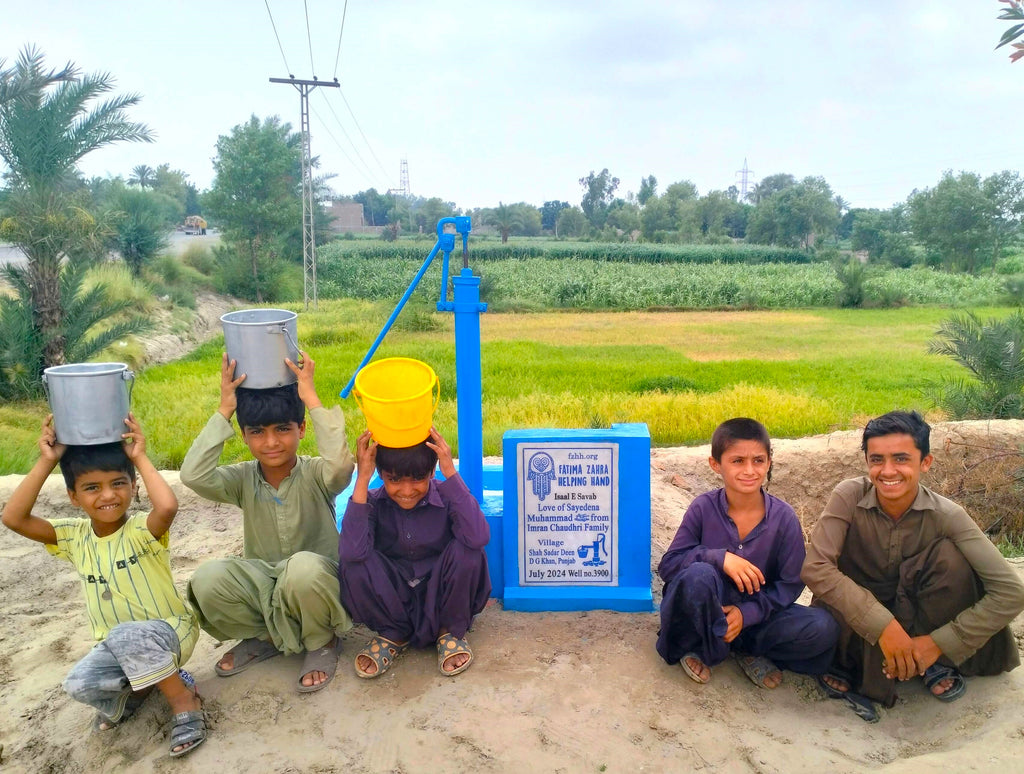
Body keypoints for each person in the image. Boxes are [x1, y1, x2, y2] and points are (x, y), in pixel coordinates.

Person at [1, 414, 207, 758]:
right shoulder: (74, 537)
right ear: (73, 496)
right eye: (92, 488)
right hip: (118, 646)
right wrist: (47, 460)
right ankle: (143, 689)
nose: (108, 495)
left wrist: (138, 456)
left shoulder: (143, 529)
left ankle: (184, 700)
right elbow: (13, 518)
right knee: (80, 683)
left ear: (134, 487)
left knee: (127, 635)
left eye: (118, 483)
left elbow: (168, 505)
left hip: (171, 633)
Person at [802, 410, 1024, 718]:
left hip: (924, 617)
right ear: (867, 462)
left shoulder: (947, 515)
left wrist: (937, 643)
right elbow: (816, 567)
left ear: (925, 462)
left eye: (901, 459)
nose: (887, 470)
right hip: (857, 621)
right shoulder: (849, 496)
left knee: (951, 560)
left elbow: (1011, 591)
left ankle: (932, 660)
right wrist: (884, 626)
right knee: (838, 584)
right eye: (876, 459)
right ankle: (850, 662)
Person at [181, 351, 355, 692]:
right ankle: (267, 637)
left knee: (302, 569)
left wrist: (310, 397)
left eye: (283, 429)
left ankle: (321, 642)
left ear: (301, 429)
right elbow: (193, 475)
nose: (271, 442)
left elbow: (341, 467)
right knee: (207, 580)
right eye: (258, 432)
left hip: (316, 583)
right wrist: (225, 408)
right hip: (266, 585)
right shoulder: (242, 479)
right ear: (244, 436)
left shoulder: (316, 474)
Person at [656, 418, 839, 692]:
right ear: (716, 464)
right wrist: (719, 558)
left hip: (756, 620)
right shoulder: (703, 508)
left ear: (768, 463)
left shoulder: (784, 518)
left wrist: (747, 613)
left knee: (822, 627)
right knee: (698, 575)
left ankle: (741, 647)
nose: (749, 470)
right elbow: (669, 566)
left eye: (758, 460)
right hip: (706, 610)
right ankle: (702, 646)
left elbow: (789, 585)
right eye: (738, 461)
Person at [338, 427, 491, 678]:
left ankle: (448, 631)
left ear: (432, 471)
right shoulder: (374, 503)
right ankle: (392, 633)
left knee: (469, 550)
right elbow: (351, 553)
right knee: (353, 560)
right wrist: (362, 479)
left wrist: (450, 472)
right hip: (393, 598)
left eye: (417, 479)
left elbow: (479, 536)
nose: (407, 491)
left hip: (441, 597)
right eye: (394, 480)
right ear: (381, 474)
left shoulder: (445, 495)